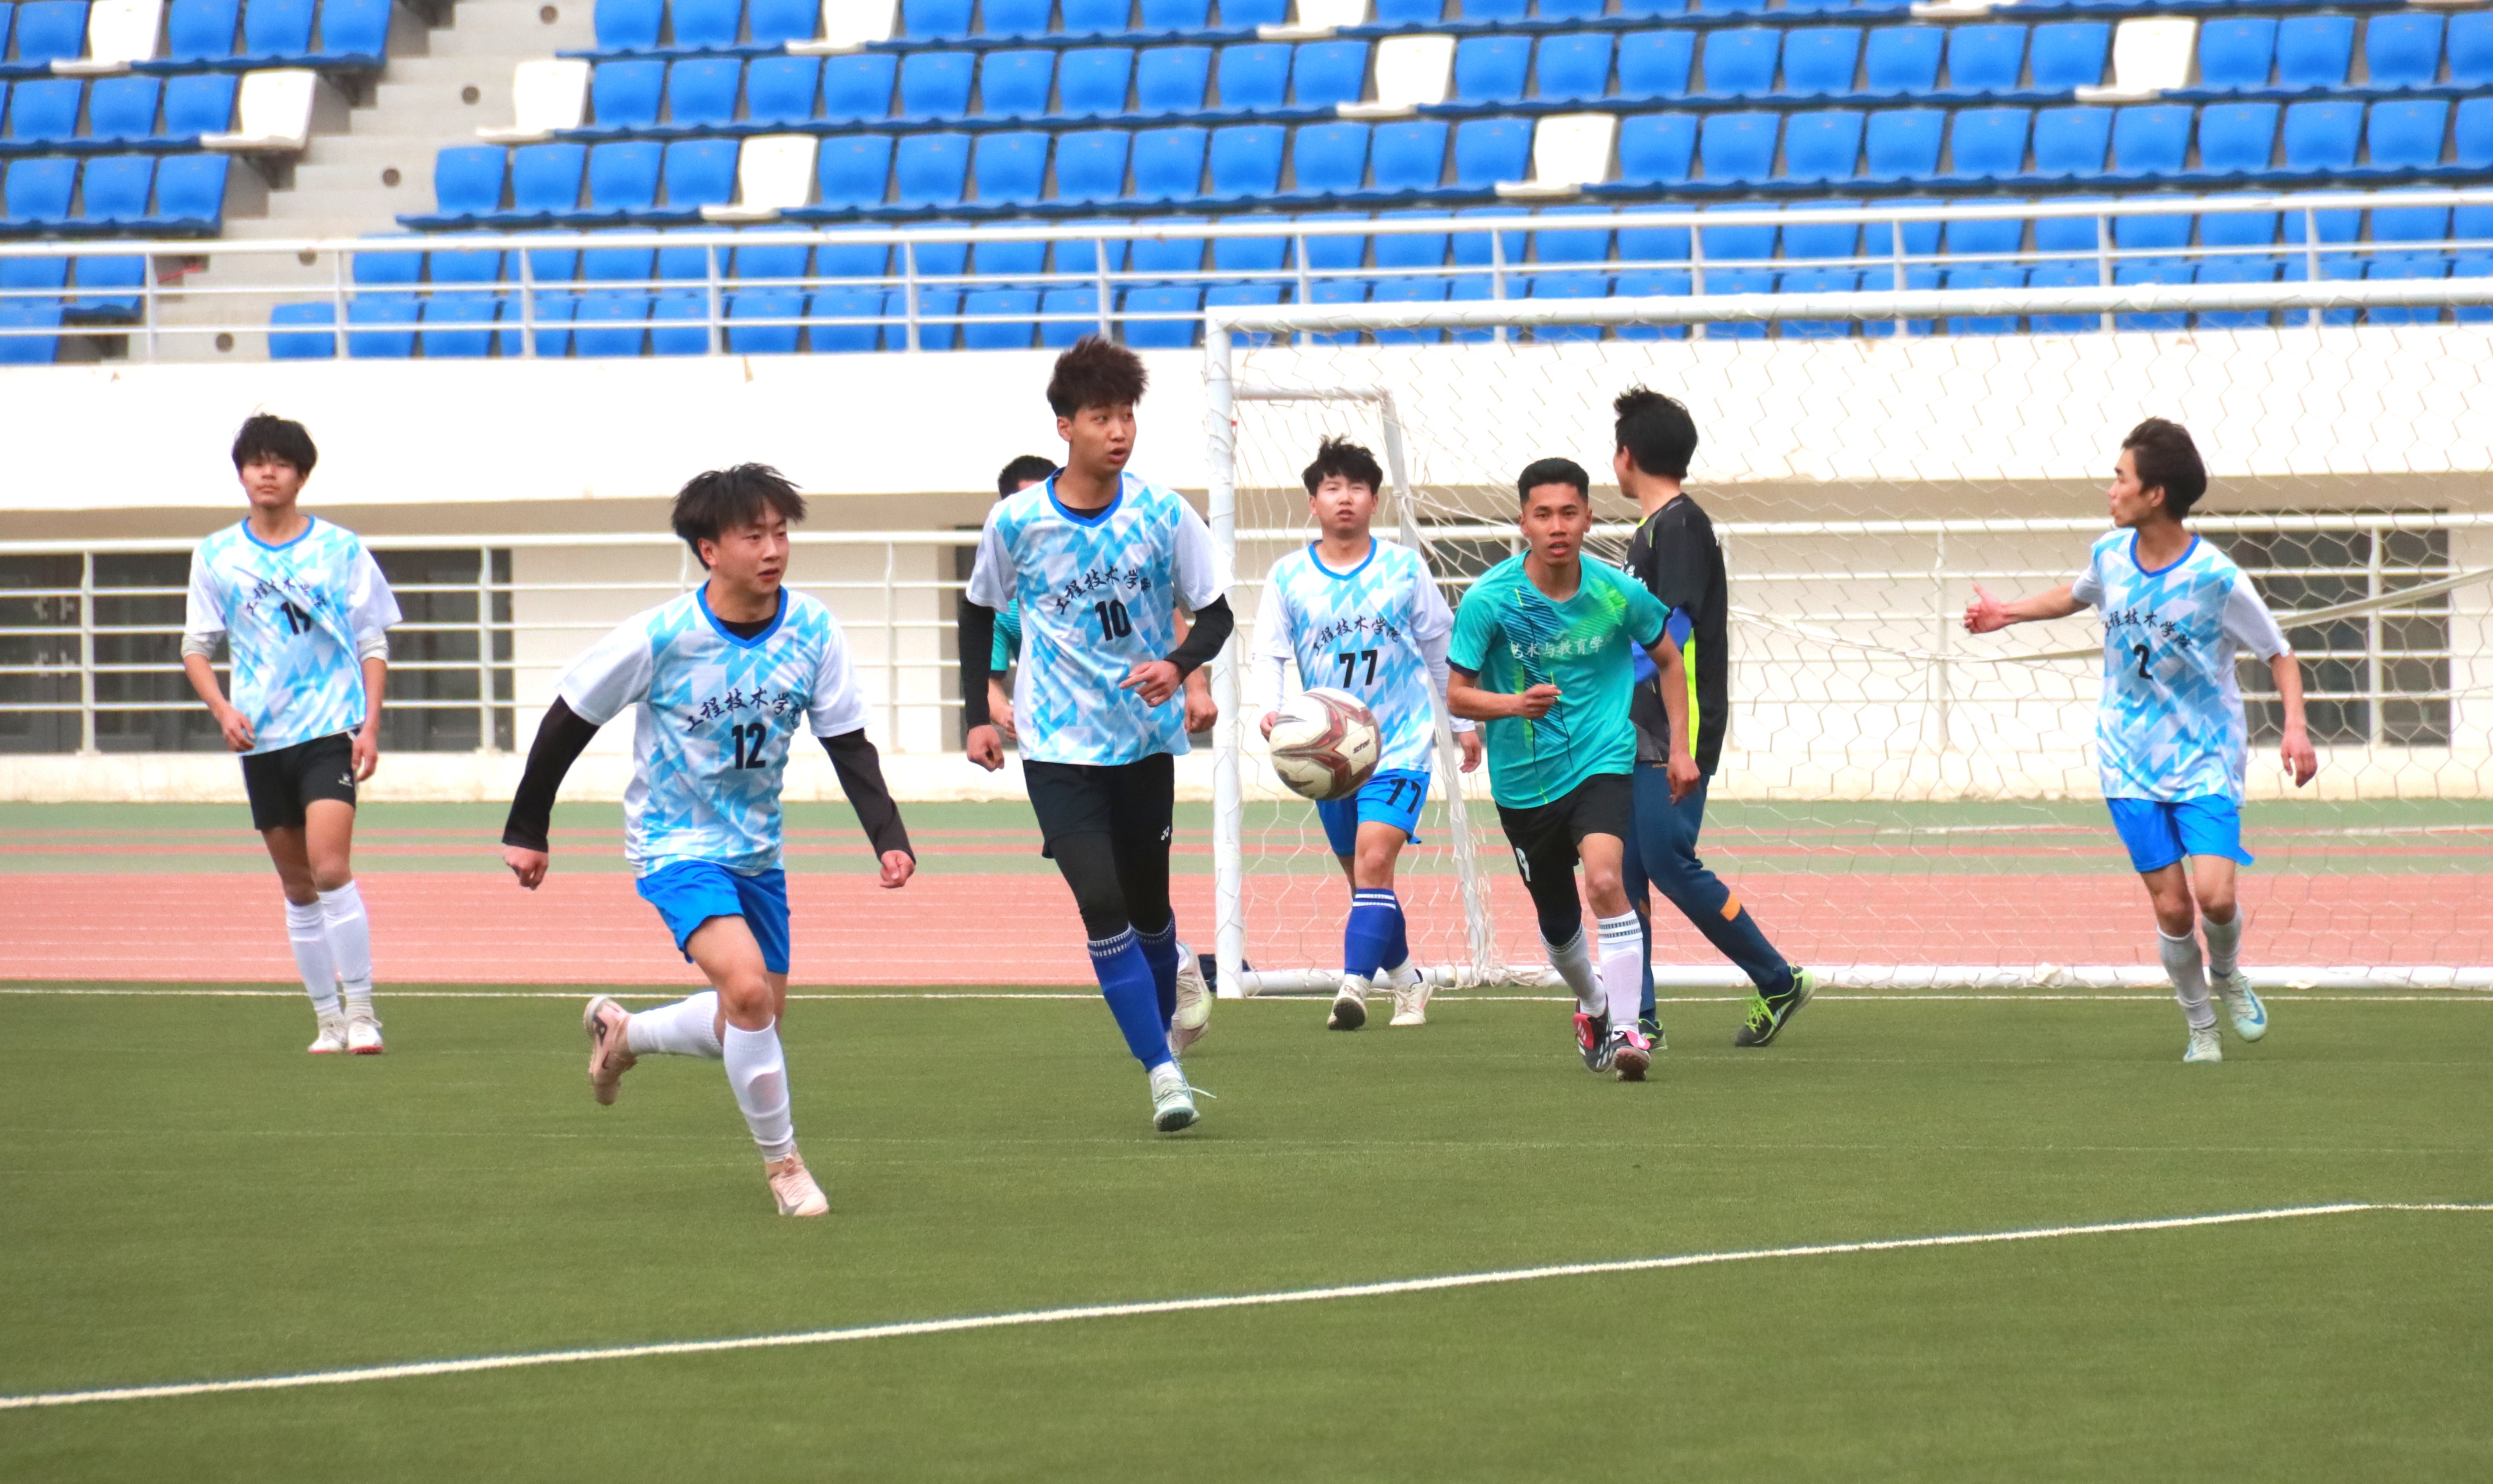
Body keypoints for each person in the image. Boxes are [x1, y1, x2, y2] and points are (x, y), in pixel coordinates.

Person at [500, 464, 915, 1217]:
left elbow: (847, 740)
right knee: (748, 991)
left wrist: (888, 834)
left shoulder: (813, 628)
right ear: (709, 550)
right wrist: (528, 826)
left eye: (781, 532)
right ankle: (785, 1167)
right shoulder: (662, 635)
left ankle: (625, 1034)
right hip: (674, 843)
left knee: (751, 1017)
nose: (773, 548)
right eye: (754, 535)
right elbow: (570, 717)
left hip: (758, 850)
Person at [1965, 417, 2317, 1063]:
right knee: (2174, 909)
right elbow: (2074, 596)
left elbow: (2280, 652)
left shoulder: (2215, 577)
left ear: (2155, 494)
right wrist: (2004, 613)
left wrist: (2294, 727)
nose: (2111, 489)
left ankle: (2227, 971)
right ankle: (2200, 1027)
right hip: (2127, 757)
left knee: (2215, 896)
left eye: (2121, 477)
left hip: (2205, 754)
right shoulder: (2109, 555)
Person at [957, 338, 1234, 1131]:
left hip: (1142, 743)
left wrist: (1179, 665)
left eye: (1127, 416)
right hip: (1056, 746)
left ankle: (1169, 989)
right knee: (1102, 900)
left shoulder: (1162, 512)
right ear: (1065, 426)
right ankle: (1163, 1073)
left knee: (1148, 908)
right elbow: (978, 609)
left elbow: (1216, 614)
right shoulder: (1018, 521)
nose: (1118, 432)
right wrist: (979, 712)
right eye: (1101, 417)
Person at [1447, 457, 1699, 1082]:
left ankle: (1629, 1027)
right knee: (1559, 925)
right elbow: (1456, 695)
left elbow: (1670, 659)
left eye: (1568, 513)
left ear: (1588, 517)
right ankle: (1592, 1001)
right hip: (1524, 781)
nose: (1556, 526)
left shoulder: (1616, 592)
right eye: (1543, 514)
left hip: (1602, 759)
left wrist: (1681, 749)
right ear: (1523, 522)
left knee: (1607, 880)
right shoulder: (1489, 600)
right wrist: (1514, 705)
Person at [181, 414, 400, 1056]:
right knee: (298, 885)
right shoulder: (217, 554)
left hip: (329, 729)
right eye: (256, 462)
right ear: (242, 474)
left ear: (302, 475)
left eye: (280, 462)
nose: (267, 472)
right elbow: (196, 646)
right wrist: (223, 709)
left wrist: (370, 724)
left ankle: (363, 1013)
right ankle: (327, 1019)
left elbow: (372, 640)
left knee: (330, 868)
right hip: (262, 740)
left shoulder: (341, 548)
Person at [1252, 436, 1481, 1030]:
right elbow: (1270, 653)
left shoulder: (1404, 567)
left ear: (1375, 500)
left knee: (1376, 859)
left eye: (1356, 487)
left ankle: (1352, 987)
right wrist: (1271, 712)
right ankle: (1408, 981)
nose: (1345, 497)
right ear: (1313, 502)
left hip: (1399, 744)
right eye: (1332, 487)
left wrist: (1461, 722)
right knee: (1365, 881)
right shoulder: (1288, 576)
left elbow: (1438, 648)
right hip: (1328, 757)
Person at [1613, 387, 1816, 1049]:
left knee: (1668, 861)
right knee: (1626, 870)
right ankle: (1638, 1016)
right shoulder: (1650, 530)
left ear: (1626, 456)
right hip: (1637, 725)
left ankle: (1777, 978)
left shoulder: (1680, 524)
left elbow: (1675, 627)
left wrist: (1610, 681)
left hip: (1678, 724)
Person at [988, 457, 1219, 748]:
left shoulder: (1106, 564)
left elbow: (1171, 620)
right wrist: (1004, 713)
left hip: (1137, 729)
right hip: (1058, 738)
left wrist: (1197, 687)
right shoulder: (1001, 604)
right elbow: (988, 678)